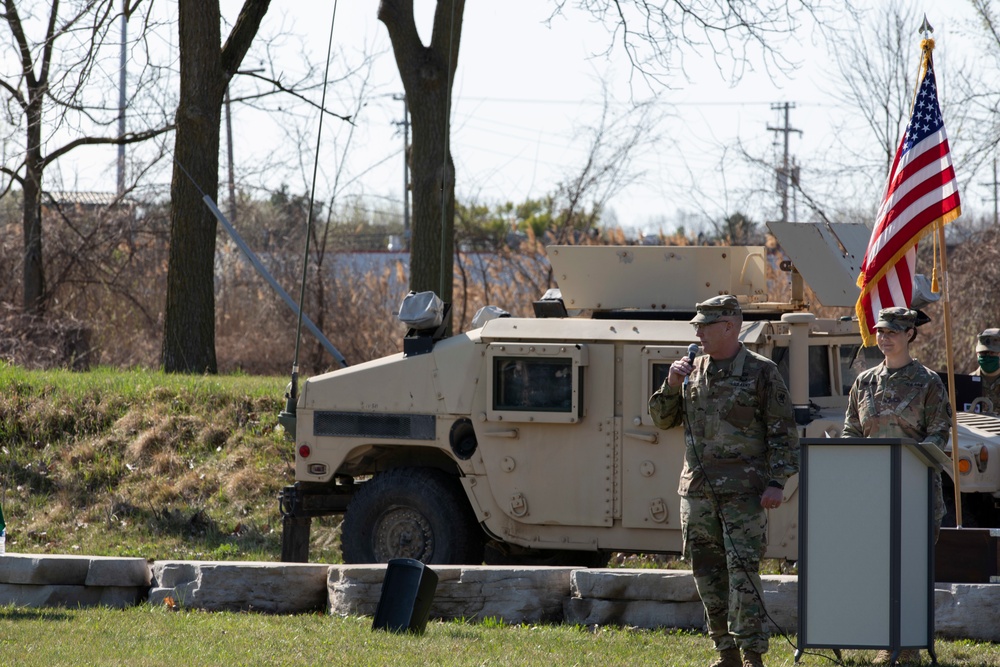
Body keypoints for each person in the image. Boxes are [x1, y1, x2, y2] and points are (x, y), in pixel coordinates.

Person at [648, 295, 799, 667]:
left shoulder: (762, 373)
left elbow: (783, 434)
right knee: (706, 573)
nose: (697, 332)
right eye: (696, 326)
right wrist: (670, 384)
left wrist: (777, 482)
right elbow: (662, 420)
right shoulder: (691, 371)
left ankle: (751, 655)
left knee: (743, 575)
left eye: (704, 325)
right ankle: (725, 652)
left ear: (729, 326)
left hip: (743, 496)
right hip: (697, 493)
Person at [842, 307, 951, 666]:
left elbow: (939, 431)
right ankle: (886, 641)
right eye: (879, 331)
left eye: (892, 332)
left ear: (909, 335)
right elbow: (851, 431)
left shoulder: (928, 382)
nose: (884, 338)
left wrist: (915, 457)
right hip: (873, 492)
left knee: (911, 570)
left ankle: (909, 646)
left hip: (914, 490)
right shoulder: (865, 382)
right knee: (878, 569)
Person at [973, 328, 1000, 413]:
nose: (988, 356)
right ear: (977, 354)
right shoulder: (968, 383)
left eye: (992, 353)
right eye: (983, 353)